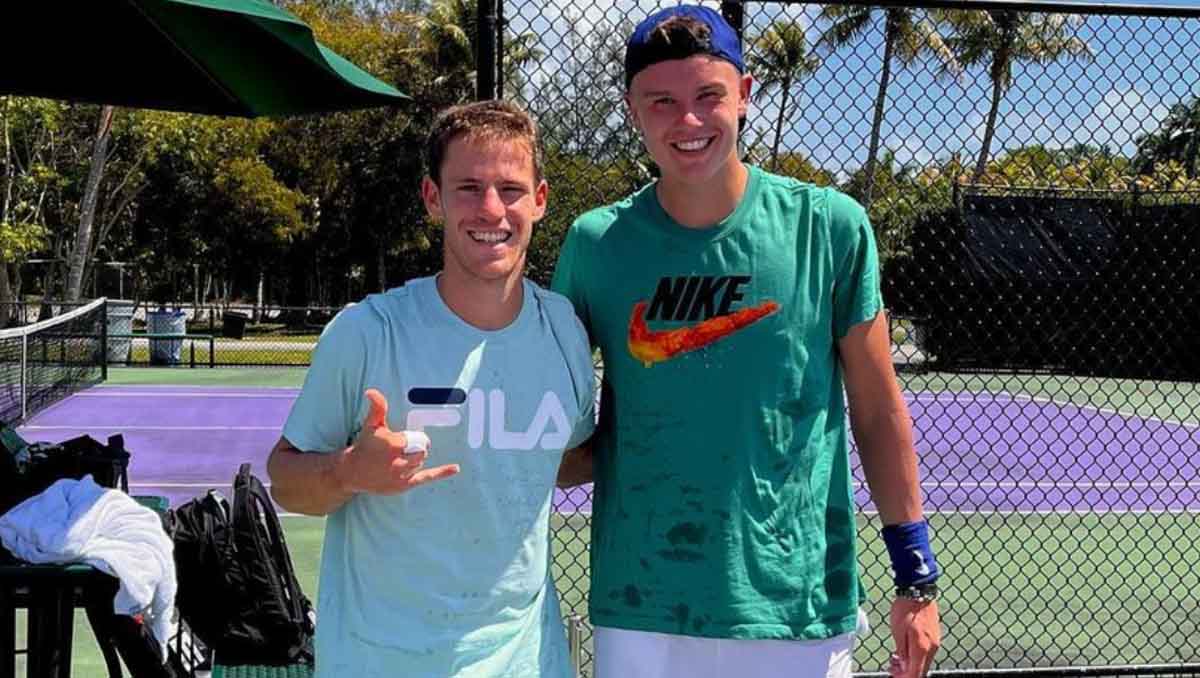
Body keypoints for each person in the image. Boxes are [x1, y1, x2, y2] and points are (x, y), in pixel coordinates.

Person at [551, 6, 941, 678]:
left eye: (709, 96)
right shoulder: (595, 246)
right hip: (642, 605)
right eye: (662, 102)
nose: (689, 121)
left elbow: (878, 414)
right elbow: (552, 427)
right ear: (631, 110)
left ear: (746, 94)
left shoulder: (830, 227)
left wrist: (916, 579)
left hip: (796, 608)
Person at [267, 99, 596, 678]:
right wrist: (348, 473)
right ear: (432, 197)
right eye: (468, 187)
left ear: (540, 200)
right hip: (380, 662)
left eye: (511, 188)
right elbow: (286, 482)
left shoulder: (564, 332)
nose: (491, 208)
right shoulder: (368, 331)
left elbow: (562, 459)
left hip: (528, 662)